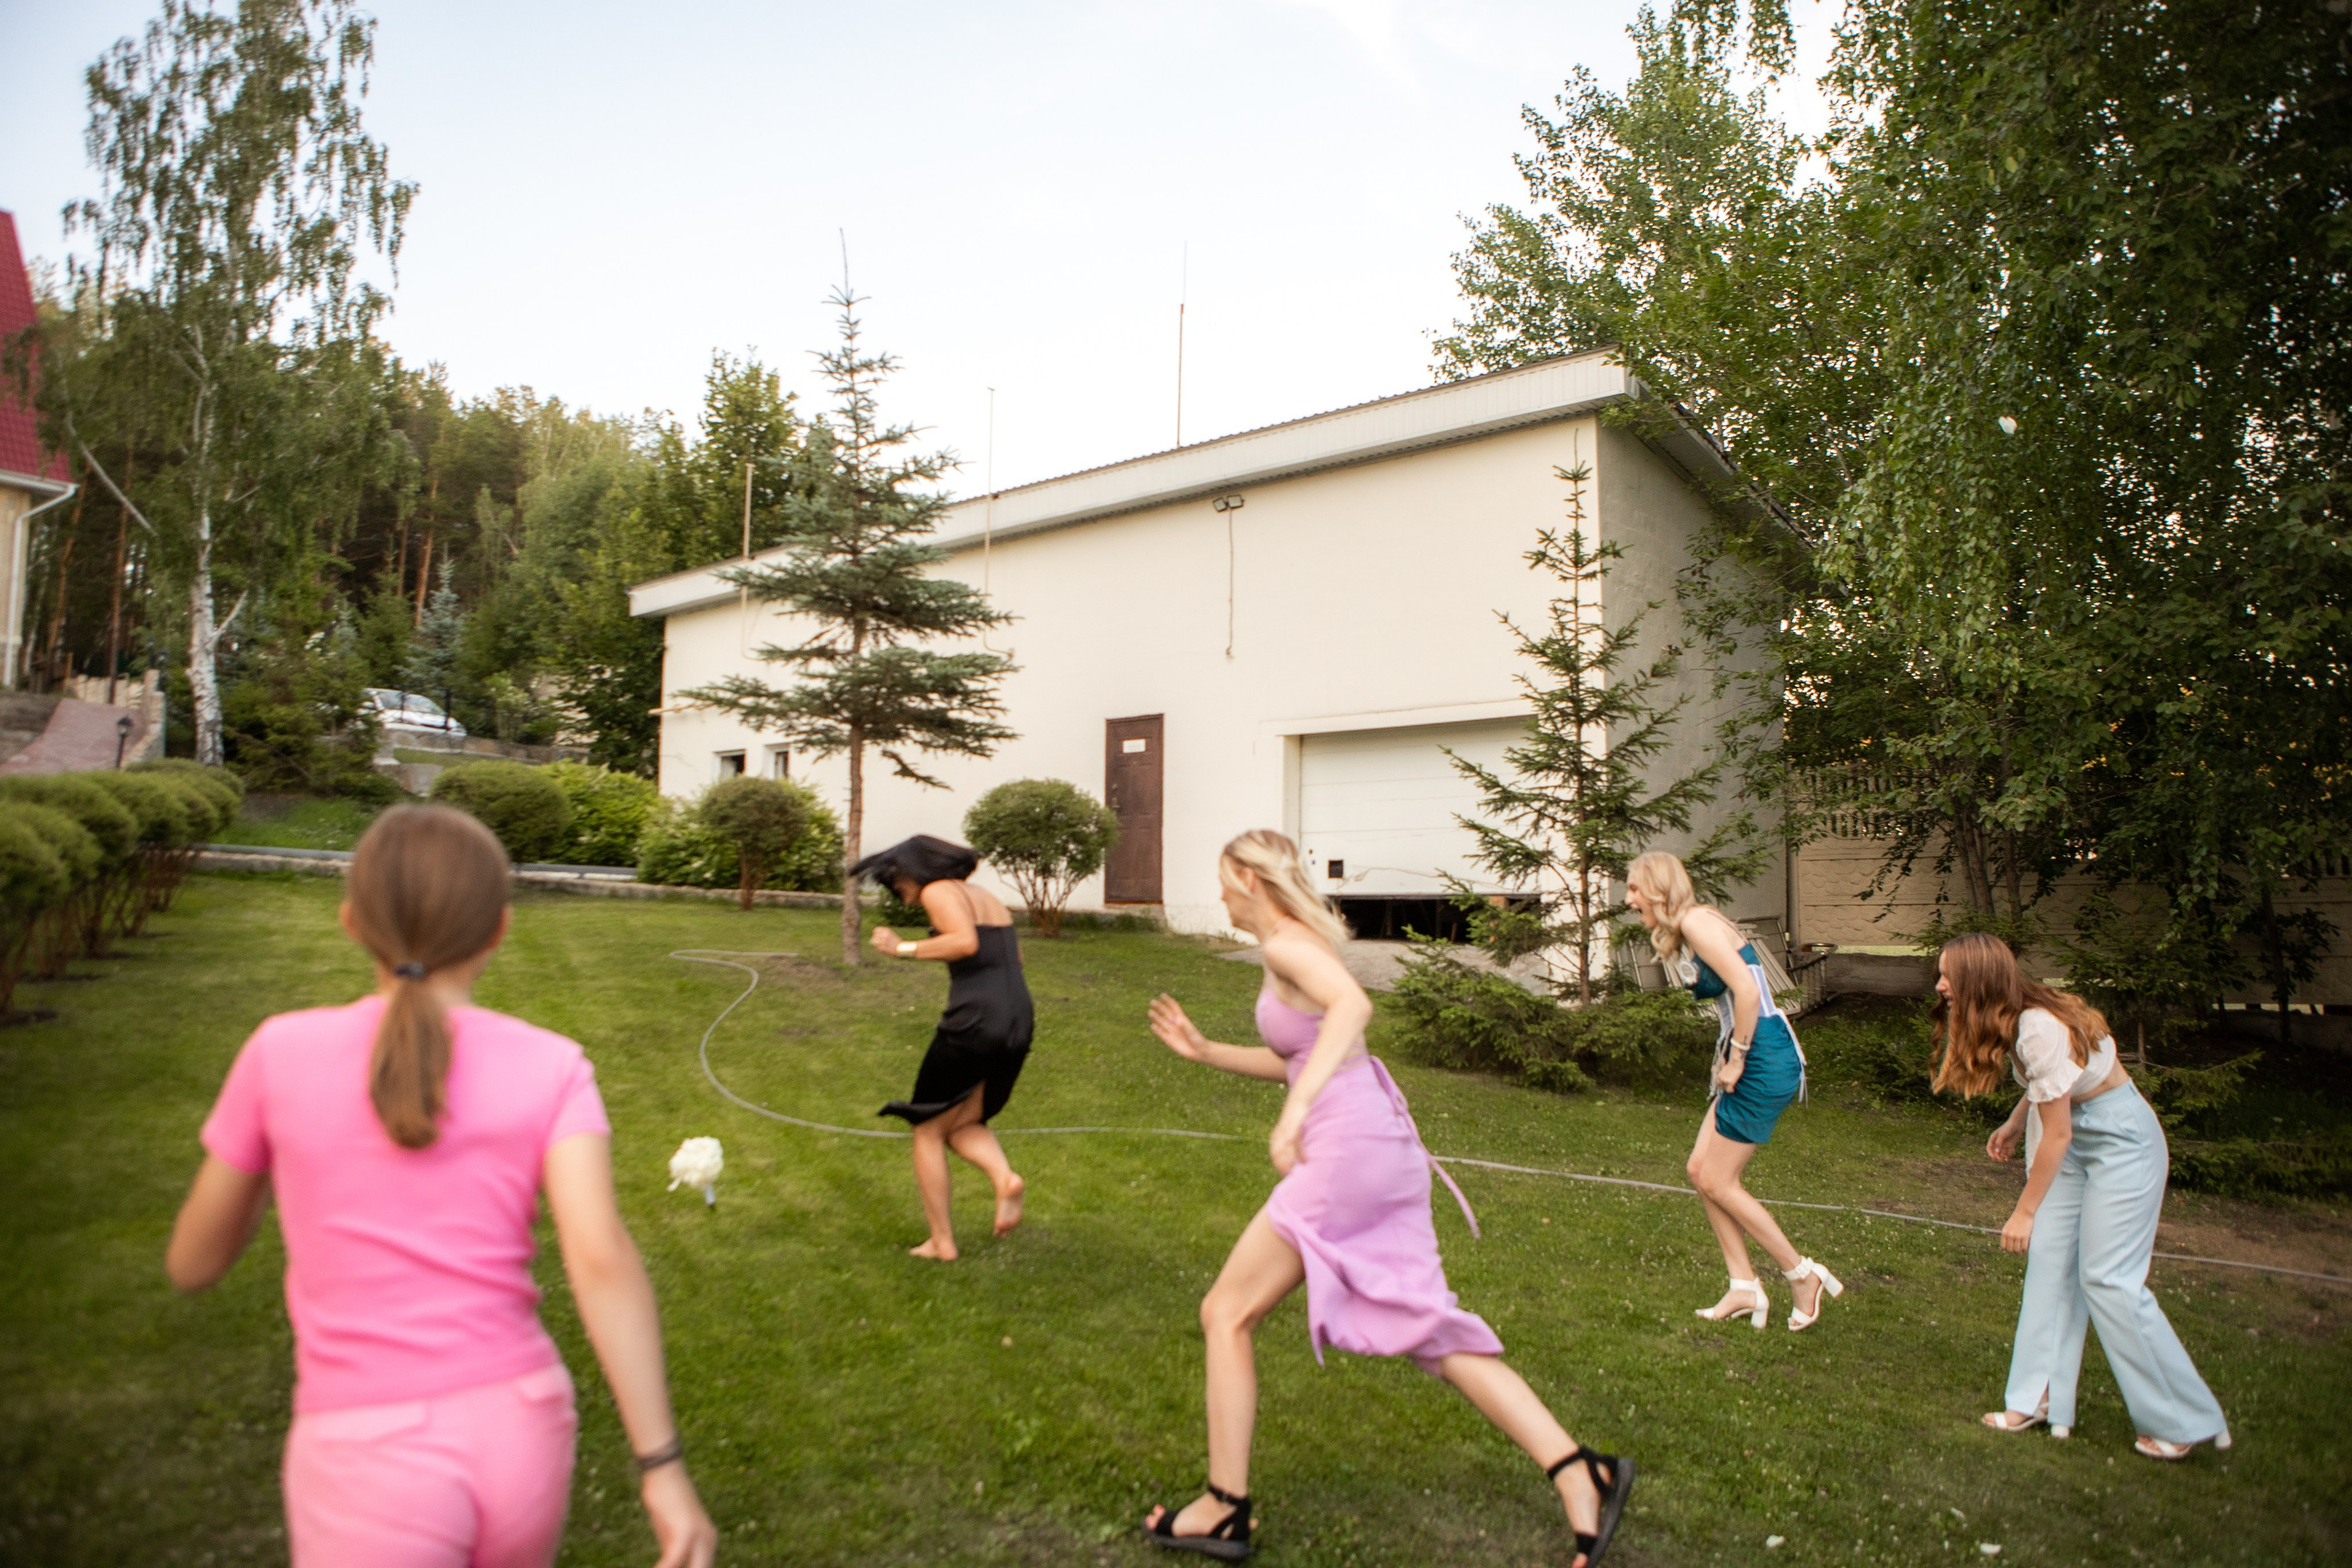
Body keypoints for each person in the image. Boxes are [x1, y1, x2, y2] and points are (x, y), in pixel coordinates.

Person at [164, 806, 717, 1568]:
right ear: (497, 929)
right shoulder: (553, 1064)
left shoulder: (278, 1053)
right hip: (522, 1427)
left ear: (352, 920)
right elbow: (600, 1258)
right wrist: (662, 1464)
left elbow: (193, 1263)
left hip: (366, 1452)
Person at [1140, 830, 1633, 1566]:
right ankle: (1580, 1470)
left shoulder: (1286, 946)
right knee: (1426, 1327)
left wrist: (1295, 1113)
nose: (1218, 894)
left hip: (1345, 1153)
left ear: (1247, 877)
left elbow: (1352, 1008)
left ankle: (1222, 1508)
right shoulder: (1297, 943)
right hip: (1377, 1146)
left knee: (1226, 1311)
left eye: (1221, 879)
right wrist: (1208, 1050)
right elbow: (1303, 1052)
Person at [1936, 932, 2231, 1460]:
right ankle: (2036, 1399)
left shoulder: (2037, 1026)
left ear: (1978, 983)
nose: (1940, 987)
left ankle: (2181, 1420)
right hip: (2074, 1138)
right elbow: (2055, 1089)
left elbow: (2060, 1133)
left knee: (2108, 1279)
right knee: (2051, 1264)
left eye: (1948, 977)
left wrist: (2024, 1211)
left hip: (2122, 1141)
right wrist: (2012, 1120)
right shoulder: (2020, 1015)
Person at [1624, 851, 1840, 1332]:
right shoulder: (1694, 923)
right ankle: (1743, 1285)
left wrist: (1737, 1057)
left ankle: (1802, 1274)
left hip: (1761, 1059)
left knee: (1719, 1180)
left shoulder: (1698, 922)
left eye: (1635, 888)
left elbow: (1745, 990)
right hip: (1751, 1053)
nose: (1628, 898)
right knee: (1700, 1169)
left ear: (1658, 887)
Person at [861, 833, 1034, 1261]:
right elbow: (1013, 957)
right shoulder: (983, 895)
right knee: (960, 1121)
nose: (900, 895)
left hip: (976, 1018)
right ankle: (1004, 1178)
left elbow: (964, 942)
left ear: (913, 870)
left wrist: (899, 947)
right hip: (1017, 1015)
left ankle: (941, 1241)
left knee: (927, 1129)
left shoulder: (939, 890)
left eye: (897, 882)